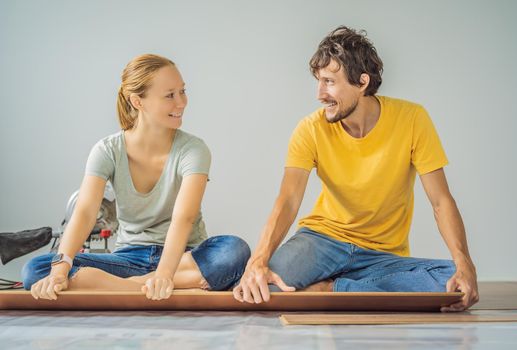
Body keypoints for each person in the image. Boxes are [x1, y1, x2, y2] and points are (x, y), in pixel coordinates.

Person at [233, 26, 478, 312]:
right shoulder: (310, 129)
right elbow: (288, 200)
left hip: (382, 254)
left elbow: (440, 200)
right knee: (265, 286)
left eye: (329, 82)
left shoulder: (413, 119)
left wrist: (465, 265)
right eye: (318, 81)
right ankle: (358, 291)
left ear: (362, 82)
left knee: (452, 281)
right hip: (322, 242)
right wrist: (258, 261)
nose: (320, 94)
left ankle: (330, 288)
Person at [22, 54, 250, 300]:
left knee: (233, 251)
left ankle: (127, 286)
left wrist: (164, 273)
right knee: (37, 269)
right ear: (137, 101)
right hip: (128, 258)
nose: (182, 102)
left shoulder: (194, 150)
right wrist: (60, 269)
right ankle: (159, 285)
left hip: (185, 256)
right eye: (170, 95)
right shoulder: (107, 150)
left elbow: (183, 218)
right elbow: (85, 212)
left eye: (183, 91)